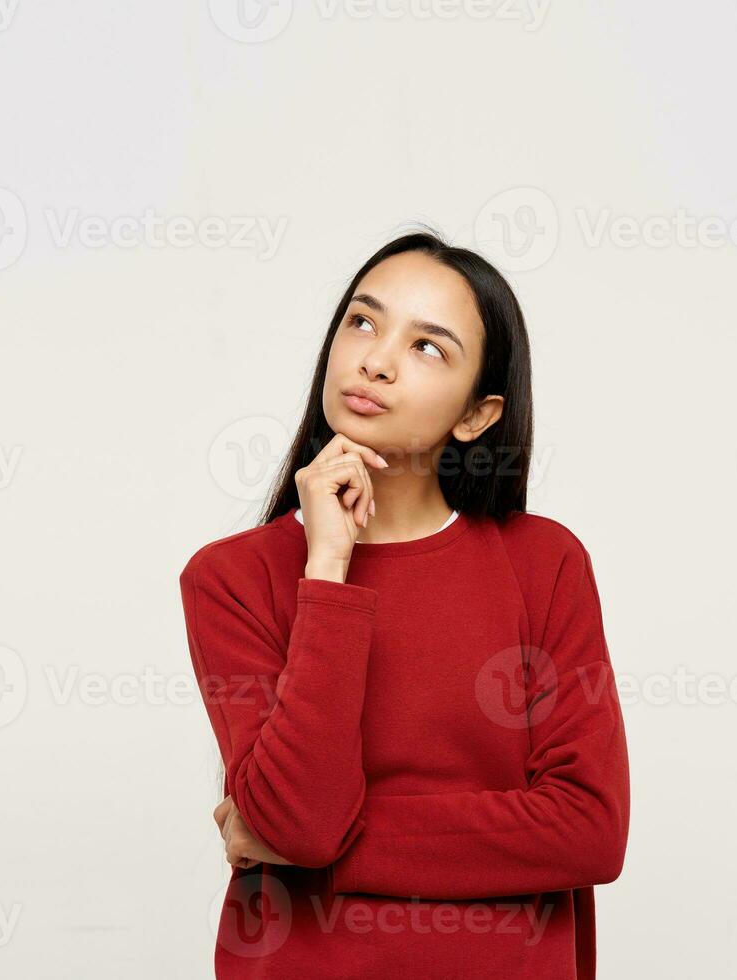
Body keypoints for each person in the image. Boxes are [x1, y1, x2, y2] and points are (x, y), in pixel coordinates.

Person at [179, 230, 630, 979]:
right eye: (363, 321)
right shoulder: (232, 579)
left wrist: (315, 846)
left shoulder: (543, 565)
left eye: (428, 348)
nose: (376, 360)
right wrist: (328, 571)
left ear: (477, 415)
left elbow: (589, 830)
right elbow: (301, 818)